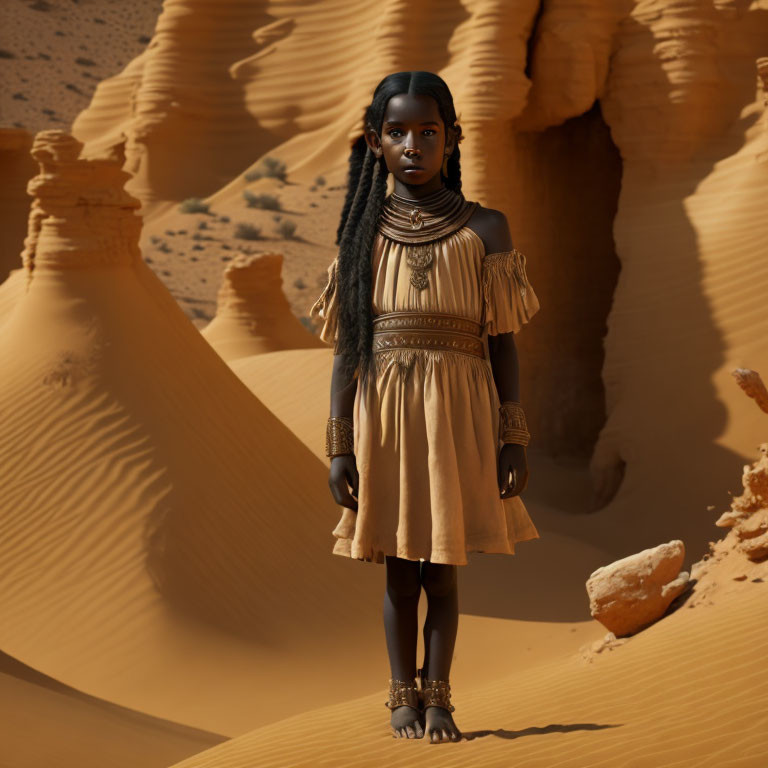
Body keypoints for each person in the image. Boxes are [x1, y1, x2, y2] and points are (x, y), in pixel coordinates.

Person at [309, 71, 541, 744]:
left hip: (458, 413)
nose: (413, 145)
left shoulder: (487, 228)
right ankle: (400, 696)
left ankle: (440, 697)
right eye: (397, 132)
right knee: (398, 567)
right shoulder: (360, 233)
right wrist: (338, 443)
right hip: (383, 413)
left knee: (442, 565)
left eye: (428, 132)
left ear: (452, 138)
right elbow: (347, 349)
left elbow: (504, 345)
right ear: (375, 143)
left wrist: (514, 436)